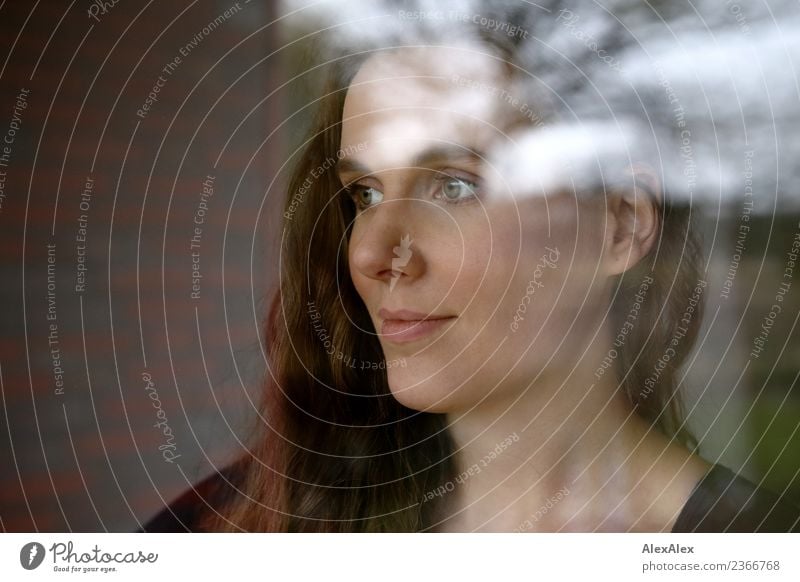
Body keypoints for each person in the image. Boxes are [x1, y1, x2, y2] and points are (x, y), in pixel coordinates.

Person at [140, 9, 800, 533]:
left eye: (454, 187)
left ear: (620, 226)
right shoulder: (220, 530)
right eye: (364, 194)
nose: (373, 255)